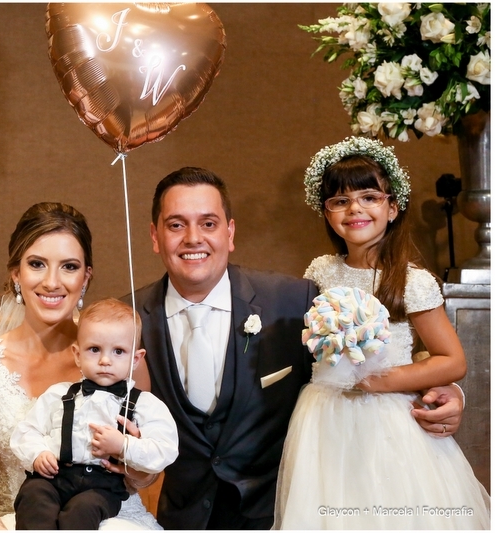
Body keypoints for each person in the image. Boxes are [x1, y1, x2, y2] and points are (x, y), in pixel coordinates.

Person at [126, 166, 467, 529]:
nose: (193, 238)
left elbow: (353, 357)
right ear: (155, 235)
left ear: (230, 232)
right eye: (176, 225)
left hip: (285, 507)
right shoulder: (127, 322)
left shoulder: (292, 299)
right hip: (181, 518)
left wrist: (444, 390)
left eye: (208, 223)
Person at [273, 137, 490, 528]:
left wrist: (381, 381)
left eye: (369, 197)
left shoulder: (411, 281)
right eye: (339, 201)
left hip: (388, 420)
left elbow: (452, 360)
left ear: (392, 208)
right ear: (326, 213)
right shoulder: (320, 272)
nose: (354, 208)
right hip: (323, 415)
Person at [0, 202, 161, 530]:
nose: (52, 282)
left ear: (86, 276)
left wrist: (137, 465)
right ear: (16, 273)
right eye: (37, 264)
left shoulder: (122, 361)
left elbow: (146, 473)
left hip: (112, 518)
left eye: (69, 267)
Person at [10, 298, 179, 529]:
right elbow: (27, 430)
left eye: (118, 351)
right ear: (77, 354)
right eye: (94, 349)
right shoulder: (59, 395)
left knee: (83, 510)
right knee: (33, 495)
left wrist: (124, 445)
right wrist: (37, 453)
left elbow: (166, 449)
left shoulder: (145, 405)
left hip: (103, 486)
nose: (105, 360)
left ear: (136, 359)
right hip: (54, 477)